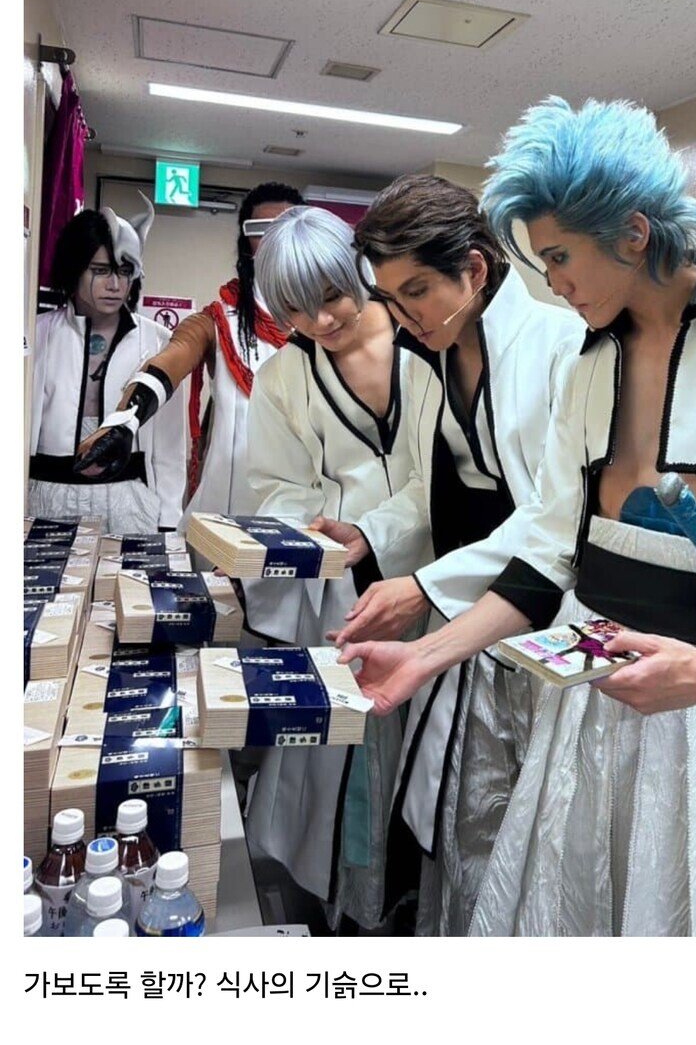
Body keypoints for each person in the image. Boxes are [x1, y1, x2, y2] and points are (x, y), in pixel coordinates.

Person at [340, 97, 696, 937]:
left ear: (633, 233)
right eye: (542, 261)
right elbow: (548, 549)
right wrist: (423, 656)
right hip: (587, 709)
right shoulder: (588, 365)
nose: (553, 283)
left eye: (560, 256)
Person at [317, 174, 582, 935]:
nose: (403, 317)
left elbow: (555, 519)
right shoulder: (427, 355)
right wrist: (371, 532)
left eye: (417, 292)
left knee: (520, 842)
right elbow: (434, 483)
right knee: (459, 829)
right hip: (467, 621)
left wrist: (428, 584)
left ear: (474, 268)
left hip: (537, 619)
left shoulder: (558, 347)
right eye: (390, 298)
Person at [239, 206, 422, 932]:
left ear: (360, 273)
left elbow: (455, 472)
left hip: (438, 581)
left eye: (331, 297)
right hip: (343, 589)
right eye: (294, 310)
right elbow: (274, 486)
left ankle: (423, 902)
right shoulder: (285, 376)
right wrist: (324, 526)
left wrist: (379, 529)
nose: (319, 320)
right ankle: (356, 911)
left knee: (435, 757)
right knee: (355, 757)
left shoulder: (424, 341)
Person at [75, 182, 302, 528]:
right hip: (230, 515)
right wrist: (124, 422)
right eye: (261, 230)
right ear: (246, 243)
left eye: (285, 228)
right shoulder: (217, 321)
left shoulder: (328, 324)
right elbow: (171, 359)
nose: (274, 241)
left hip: (309, 513)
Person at [29, 196, 186, 532]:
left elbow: (170, 448)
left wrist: (169, 524)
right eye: (100, 271)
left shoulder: (159, 341)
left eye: (124, 271)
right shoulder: (36, 334)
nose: (115, 285)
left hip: (129, 499)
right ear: (74, 269)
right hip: (45, 496)